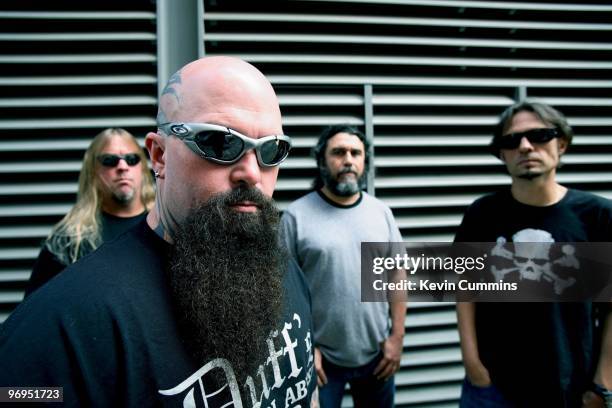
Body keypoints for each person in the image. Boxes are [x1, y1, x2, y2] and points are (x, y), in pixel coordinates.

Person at [0, 56, 316, 408]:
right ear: (160, 155)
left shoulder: (283, 268)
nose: (252, 173)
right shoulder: (61, 328)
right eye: (221, 143)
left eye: (271, 150)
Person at [455, 100, 612, 407]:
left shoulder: (598, 216)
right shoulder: (481, 214)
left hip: (573, 387)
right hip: (494, 388)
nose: (526, 147)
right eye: (512, 140)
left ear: (562, 143)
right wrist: (473, 365)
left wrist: (603, 382)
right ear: (502, 154)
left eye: (539, 136)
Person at [281, 124, 406, 408]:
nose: (348, 159)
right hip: (321, 362)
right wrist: (303, 349)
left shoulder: (381, 212)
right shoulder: (296, 216)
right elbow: (282, 291)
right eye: (338, 152)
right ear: (322, 161)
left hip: (378, 356)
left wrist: (397, 337)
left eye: (356, 153)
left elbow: (397, 274)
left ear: (364, 162)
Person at [25, 127, 155, 296]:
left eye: (132, 159)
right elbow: (34, 310)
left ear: (143, 168)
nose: (123, 166)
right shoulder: (69, 240)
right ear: (93, 171)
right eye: (109, 160)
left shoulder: (165, 225)